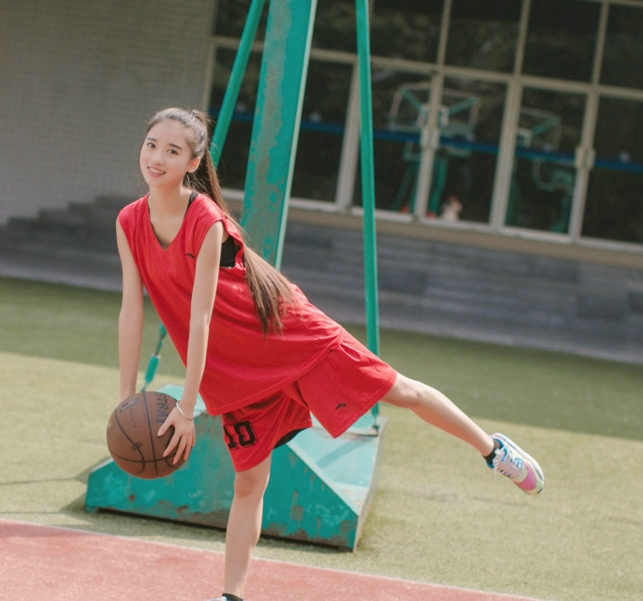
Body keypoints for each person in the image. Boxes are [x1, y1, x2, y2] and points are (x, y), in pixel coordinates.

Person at [116, 107, 544, 601]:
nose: (157, 158)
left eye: (173, 150)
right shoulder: (129, 221)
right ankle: (231, 596)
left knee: (400, 391)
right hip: (232, 370)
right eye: (152, 145)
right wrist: (125, 401)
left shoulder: (205, 220)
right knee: (248, 483)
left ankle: (493, 451)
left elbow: (201, 318)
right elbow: (132, 311)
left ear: (193, 162)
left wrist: (188, 407)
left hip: (286, 334)